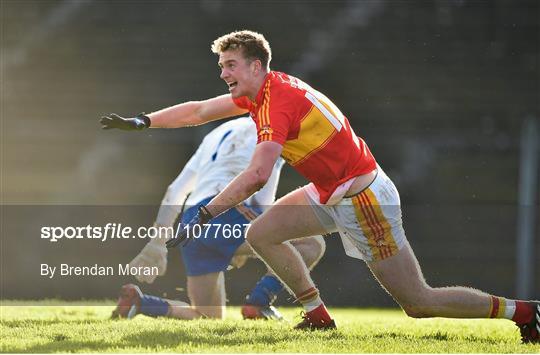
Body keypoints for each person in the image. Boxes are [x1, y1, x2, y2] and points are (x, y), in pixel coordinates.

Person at [101, 30, 539, 342]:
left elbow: (256, 175)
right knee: (262, 233)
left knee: (418, 302)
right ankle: (317, 316)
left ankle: (523, 312)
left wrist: (206, 213)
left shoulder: (276, 105)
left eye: (230, 65)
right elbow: (198, 111)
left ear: (256, 65)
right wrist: (143, 121)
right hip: (333, 190)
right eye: (221, 66)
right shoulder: (261, 91)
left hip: (363, 198)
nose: (223, 73)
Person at [109, 116, 326, 320]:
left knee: (208, 317)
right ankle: (260, 302)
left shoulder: (216, 133)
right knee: (311, 243)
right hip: (228, 209)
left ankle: (141, 303)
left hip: (191, 220)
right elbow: (261, 185)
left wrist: (156, 243)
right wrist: (255, 233)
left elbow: (175, 191)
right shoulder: (275, 128)